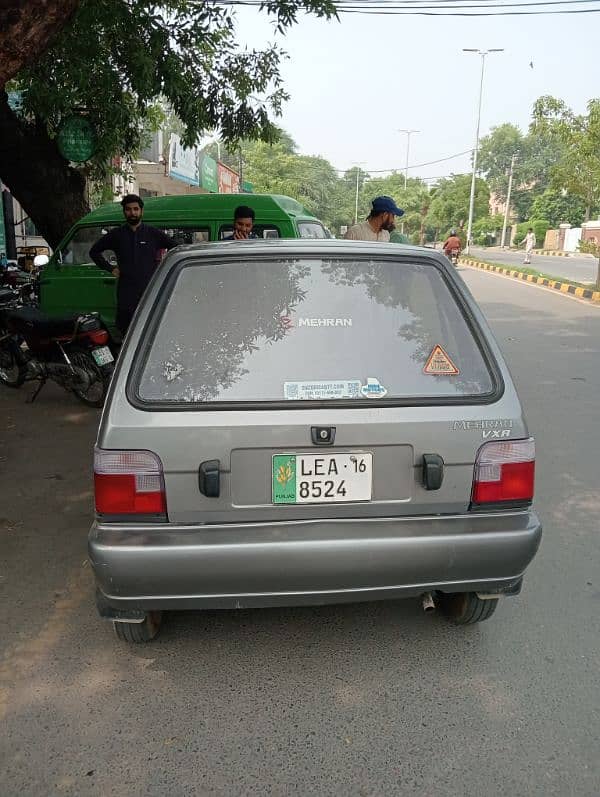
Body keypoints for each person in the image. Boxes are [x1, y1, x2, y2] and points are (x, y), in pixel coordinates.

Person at [90, 194, 175, 335]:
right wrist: (111, 269)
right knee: (127, 332)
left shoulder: (153, 233)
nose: (132, 213)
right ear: (124, 212)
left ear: (142, 211)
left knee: (150, 330)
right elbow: (94, 252)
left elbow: (175, 248)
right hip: (126, 294)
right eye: (128, 209)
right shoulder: (117, 235)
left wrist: (164, 269)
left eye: (136, 209)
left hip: (149, 291)